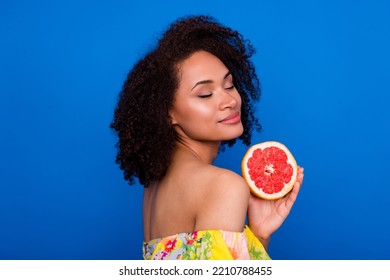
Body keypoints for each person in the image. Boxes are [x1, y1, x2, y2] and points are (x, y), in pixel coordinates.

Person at [110, 15, 304, 260]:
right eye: (205, 94)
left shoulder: (156, 186)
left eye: (229, 84)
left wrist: (259, 236)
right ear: (167, 111)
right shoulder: (222, 186)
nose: (230, 101)